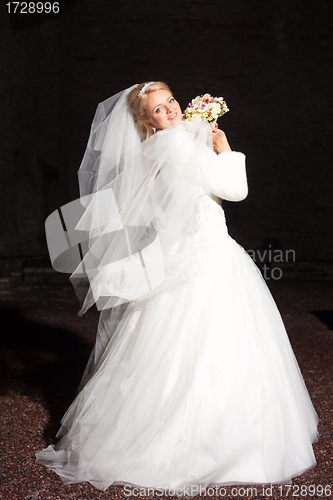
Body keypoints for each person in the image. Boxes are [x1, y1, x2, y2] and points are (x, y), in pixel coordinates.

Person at [36, 81, 318, 496]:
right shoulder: (181, 146)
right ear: (148, 123)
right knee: (222, 345)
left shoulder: (150, 154)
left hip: (181, 254)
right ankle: (212, 445)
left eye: (170, 101)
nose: (170, 110)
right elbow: (235, 191)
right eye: (160, 110)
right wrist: (225, 149)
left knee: (166, 347)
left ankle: (147, 435)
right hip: (210, 256)